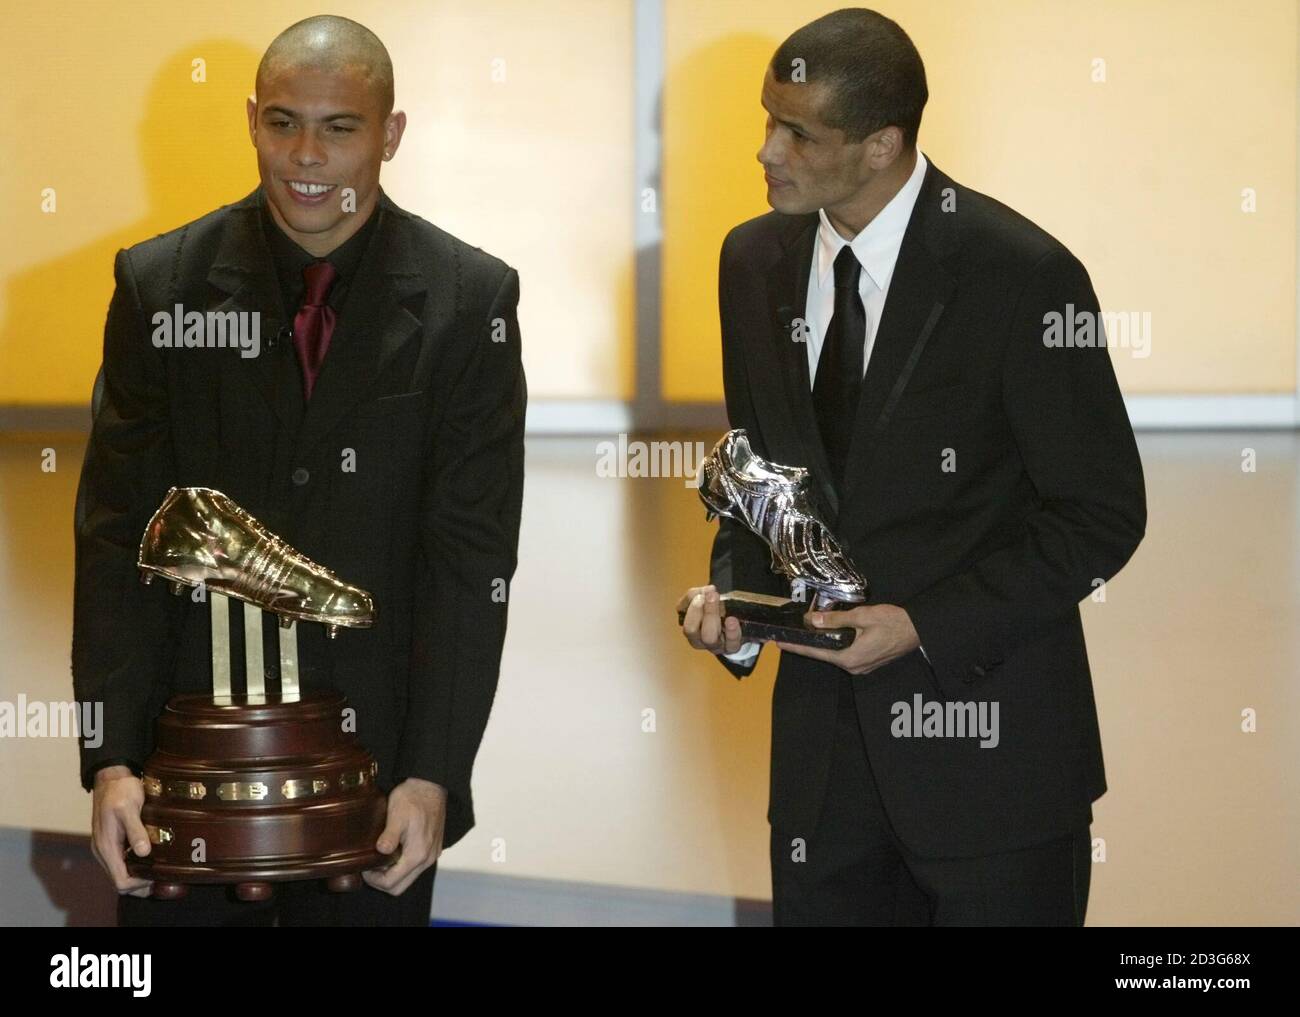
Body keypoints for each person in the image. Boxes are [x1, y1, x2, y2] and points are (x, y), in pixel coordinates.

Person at [677, 8, 1145, 926]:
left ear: (883, 143)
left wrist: (922, 626)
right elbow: (760, 477)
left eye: (797, 131)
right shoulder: (752, 259)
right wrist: (736, 611)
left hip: (995, 778)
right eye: (767, 118)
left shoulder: (1023, 275)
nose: (766, 150)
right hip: (819, 786)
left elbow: (1101, 515)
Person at [72, 15, 526, 926]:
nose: (304, 155)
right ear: (250, 121)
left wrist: (433, 770)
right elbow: (116, 534)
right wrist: (112, 756)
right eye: (282, 123)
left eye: (340, 127)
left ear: (390, 133)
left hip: (376, 780)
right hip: (184, 783)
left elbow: (469, 561)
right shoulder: (158, 286)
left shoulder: (471, 299)